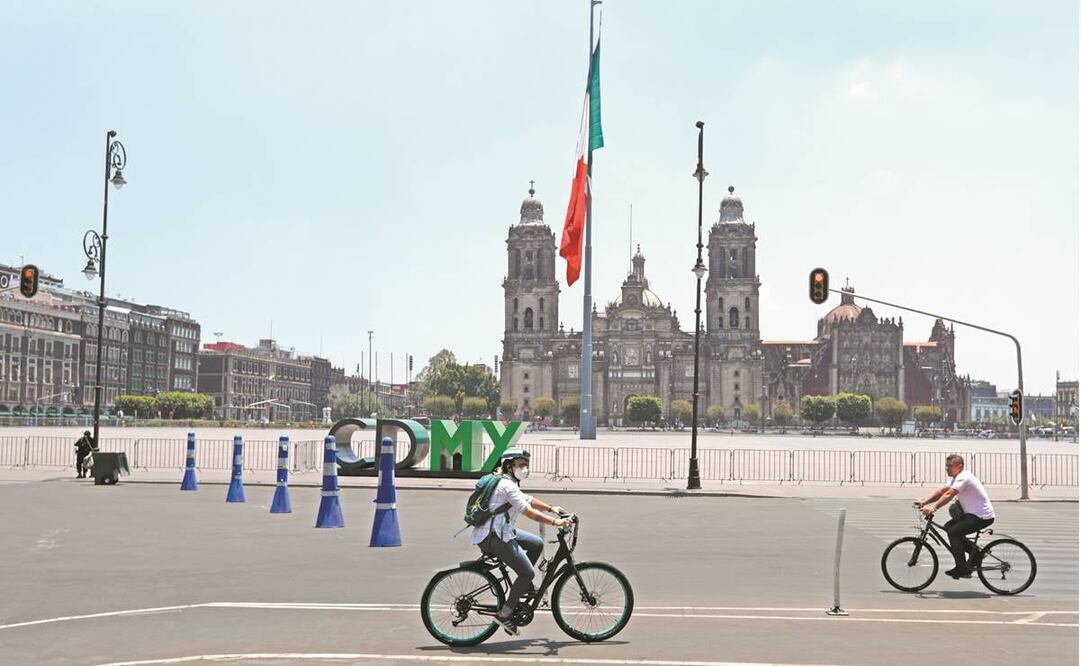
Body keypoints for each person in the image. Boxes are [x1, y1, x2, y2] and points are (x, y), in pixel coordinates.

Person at [470, 447, 571, 635]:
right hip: (493, 536)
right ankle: (504, 615)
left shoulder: (509, 483)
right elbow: (528, 511)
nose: (524, 468)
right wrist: (555, 522)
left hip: (502, 531)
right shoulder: (506, 486)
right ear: (508, 466)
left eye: (526, 465)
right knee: (527, 573)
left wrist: (552, 508)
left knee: (536, 544)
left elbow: (529, 499)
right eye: (520, 465)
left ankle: (524, 587)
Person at [913, 454, 995, 578]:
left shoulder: (964, 477)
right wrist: (925, 502)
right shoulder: (956, 478)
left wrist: (933, 508)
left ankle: (962, 568)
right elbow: (943, 491)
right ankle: (977, 554)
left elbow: (950, 494)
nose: (947, 468)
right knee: (948, 527)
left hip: (981, 516)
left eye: (950, 466)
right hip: (972, 514)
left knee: (954, 532)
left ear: (959, 466)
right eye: (946, 466)